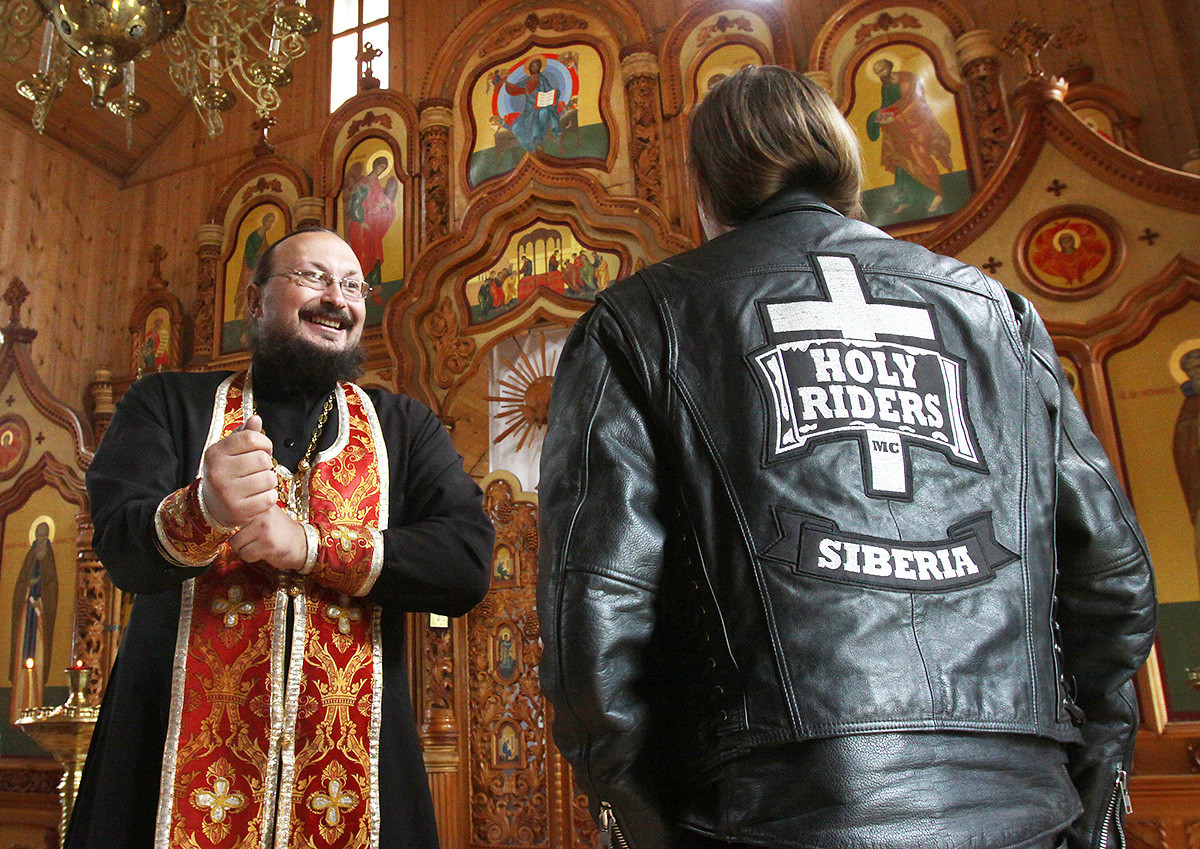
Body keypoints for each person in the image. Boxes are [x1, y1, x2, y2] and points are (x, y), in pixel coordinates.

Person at [537, 66, 1156, 849]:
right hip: (1027, 806)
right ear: (845, 160)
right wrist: (1094, 800)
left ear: (702, 182)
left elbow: (592, 611)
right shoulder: (996, 311)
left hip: (772, 813)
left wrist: (643, 823)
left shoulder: (640, 320)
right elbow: (1114, 579)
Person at [67, 227, 494, 848]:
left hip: (358, 785)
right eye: (313, 277)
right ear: (253, 300)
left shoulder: (405, 427)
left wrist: (314, 548)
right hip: (166, 774)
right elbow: (121, 551)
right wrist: (204, 508)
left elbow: (466, 564)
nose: (337, 299)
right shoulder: (166, 404)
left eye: (352, 285)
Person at [866, 57, 954, 215]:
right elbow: (887, 107)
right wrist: (879, 117)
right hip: (898, 129)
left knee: (919, 157)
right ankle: (905, 200)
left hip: (916, 125)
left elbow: (915, 102)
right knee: (902, 164)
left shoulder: (908, 79)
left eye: (882, 70)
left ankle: (936, 193)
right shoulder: (885, 87)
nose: (881, 74)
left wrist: (892, 116)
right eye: (878, 72)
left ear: (890, 67)